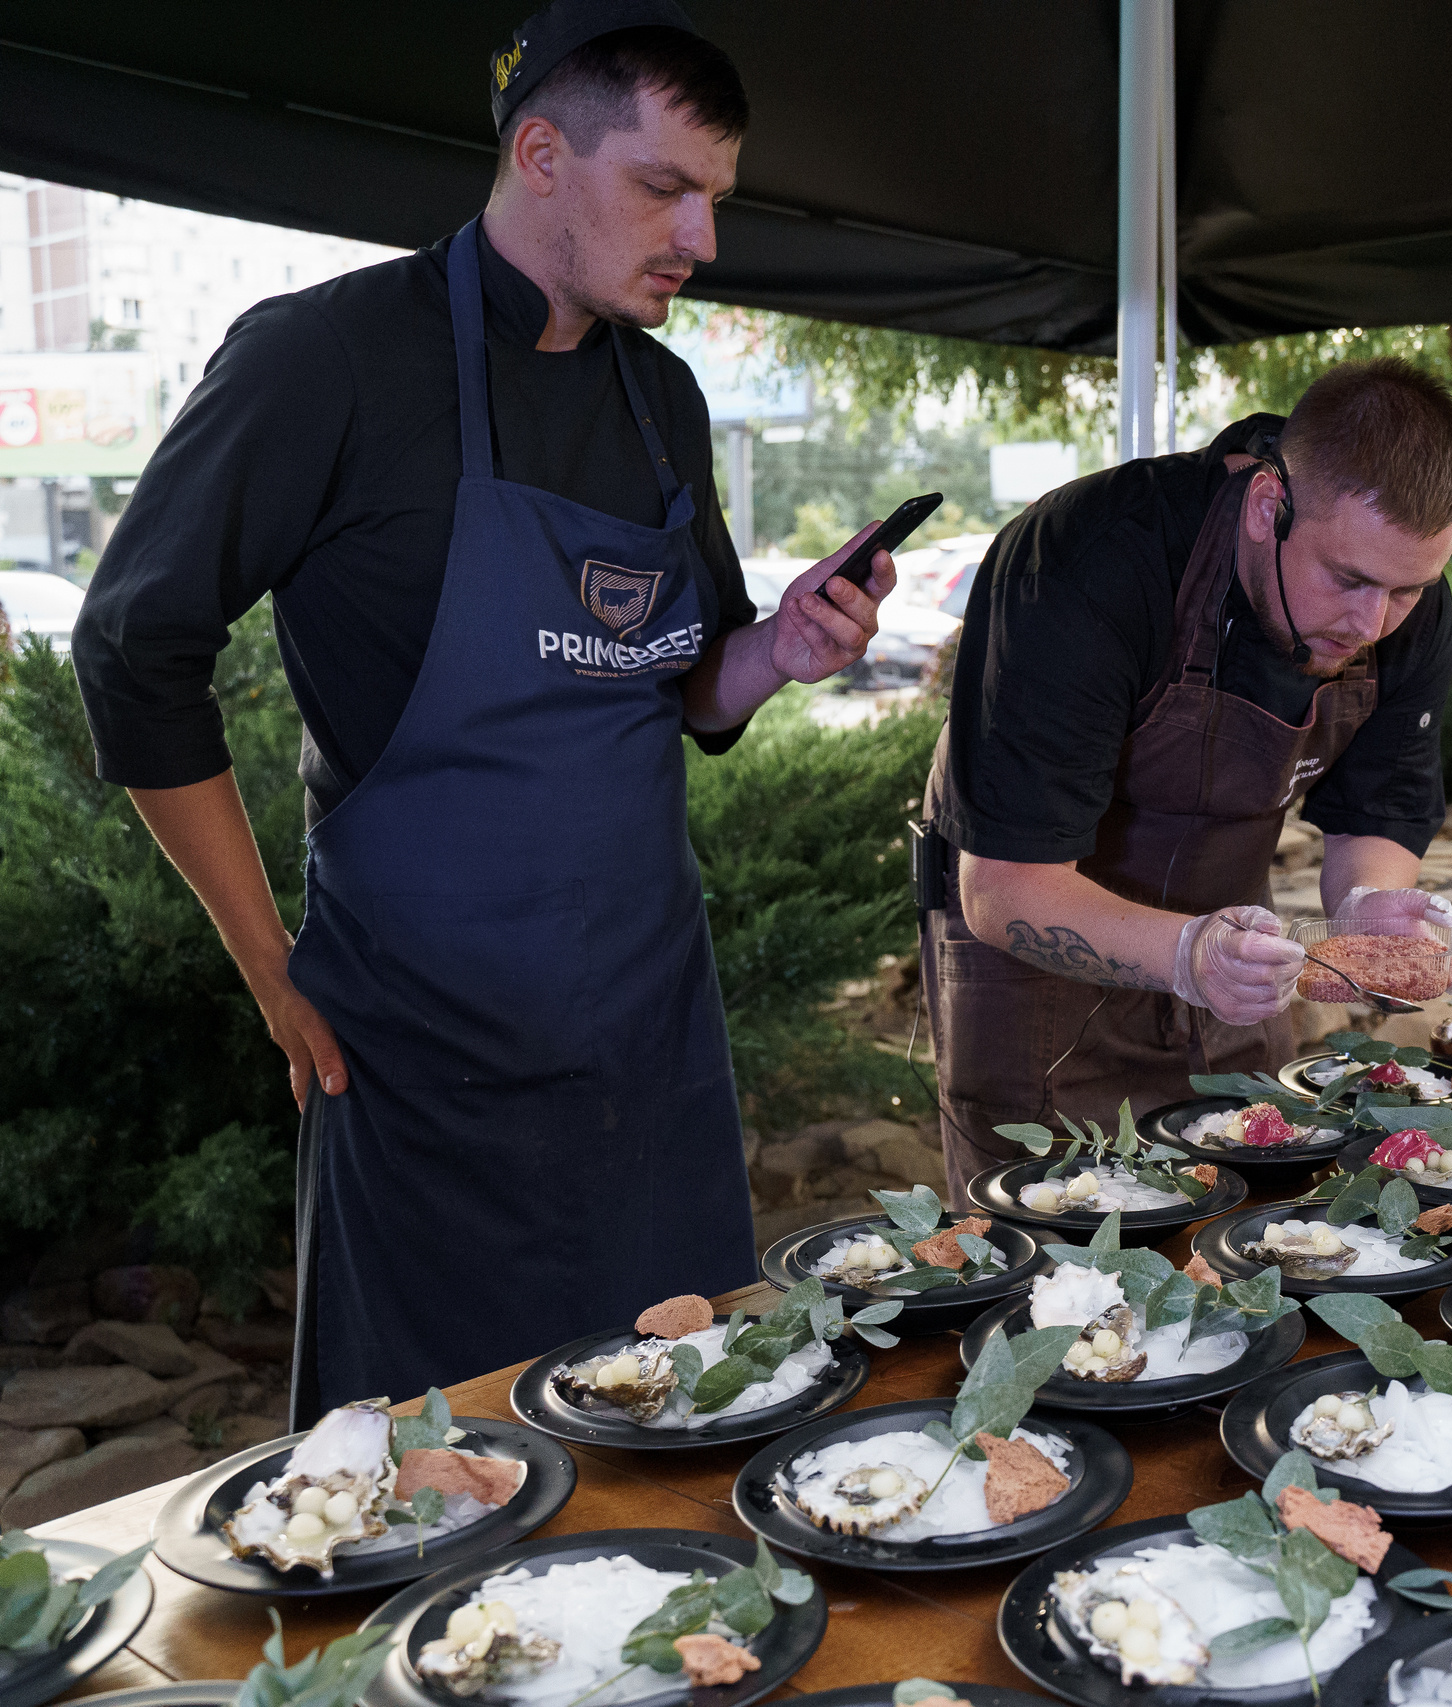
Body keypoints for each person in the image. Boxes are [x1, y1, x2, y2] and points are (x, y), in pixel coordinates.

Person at [70, 0, 896, 1420]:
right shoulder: (323, 360)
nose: (703, 239)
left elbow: (686, 689)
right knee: (440, 1483)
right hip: (419, 1052)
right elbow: (135, 646)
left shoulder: (666, 398)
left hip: (652, 1037)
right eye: (666, 188)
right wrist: (270, 964)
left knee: (687, 1428)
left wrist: (783, 651)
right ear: (540, 154)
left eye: (717, 199)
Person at [919, 360, 1452, 1198]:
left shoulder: (1407, 606)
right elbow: (1002, 890)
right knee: (1060, 1247)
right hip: (1034, 945)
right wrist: (1184, 951)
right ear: (1267, 506)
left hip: (1231, 943)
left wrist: (1366, 909)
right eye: (1350, 580)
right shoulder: (1085, 560)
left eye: (1407, 590)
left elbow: (1378, 815)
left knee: (1254, 1216)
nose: (1372, 624)